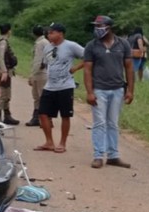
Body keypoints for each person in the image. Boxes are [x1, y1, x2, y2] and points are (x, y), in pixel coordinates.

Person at [83, 15, 134, 168]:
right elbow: (87, 70)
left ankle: (113, 155)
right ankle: (98, 155)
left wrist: (130, 90)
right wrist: (89, 92)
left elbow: (129, 67)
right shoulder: (92, 46)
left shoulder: (123, 44)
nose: (98, 29)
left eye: (101, 26)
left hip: (117, 89)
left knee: (113, 123)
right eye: (96, 26)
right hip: (99, 89)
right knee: (99, 123)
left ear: (109, 27)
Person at [34, 23, 84, 153]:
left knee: (65, 115)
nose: (49, 35)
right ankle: (49, 141)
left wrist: (76, 68)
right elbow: (46, 63)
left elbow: (88, 57)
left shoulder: (71, 46)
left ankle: (62, 142)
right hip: (50, 85)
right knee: (43, 113)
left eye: (52, 33)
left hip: (65, 85)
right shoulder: (47, 48)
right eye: (48, 33)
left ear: (60, 34)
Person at [0, 23, 20, 125]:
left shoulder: (2, 41)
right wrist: (4, 71)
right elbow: (1, 57)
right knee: (3, 94)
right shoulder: (3, 42)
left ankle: (7, 115)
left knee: (7, 94)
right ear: (9, 31)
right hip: (4, 72)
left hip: (7, 71)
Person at [27, 25, 49, 126]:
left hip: (40, 73)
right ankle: (37, 117)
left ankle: (43, 118)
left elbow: (38, 61)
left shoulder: (40, 43)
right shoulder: (45, 42)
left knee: (40, 97)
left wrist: (32, 75)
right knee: (38, 96)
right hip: (41, 72)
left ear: (33, 33)